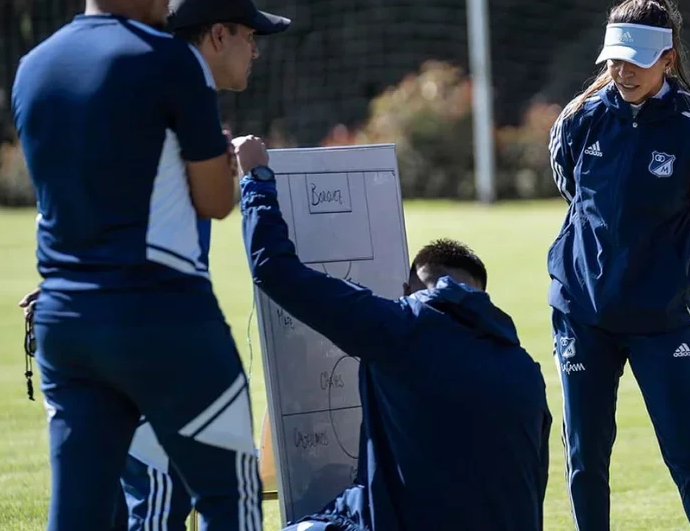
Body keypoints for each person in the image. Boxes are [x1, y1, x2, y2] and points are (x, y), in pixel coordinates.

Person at [20, 0, 291, 531]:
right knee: (183, 498)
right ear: (218, 36)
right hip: (155, 325)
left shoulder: (91, 84)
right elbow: (214, 204)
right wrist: (236, 172)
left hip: (75, 327)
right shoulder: (174, 88)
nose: (256, 52)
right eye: (250, 36)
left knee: (93, 509)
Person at [232, 135, 551, 531]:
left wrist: (257, 180)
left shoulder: (401, 328)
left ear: (409, 290)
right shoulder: (524, 368)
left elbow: (274, 271)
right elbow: (532, 485)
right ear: (479, 297)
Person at [545, 0, 690, 530]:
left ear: (667, 59)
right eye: (614, 60)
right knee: (585, 460)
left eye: (636, 61)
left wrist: (656, 259)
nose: (622, 71)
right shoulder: (577, 120)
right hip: (583, 314)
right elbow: (571, 187)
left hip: (659, 318)